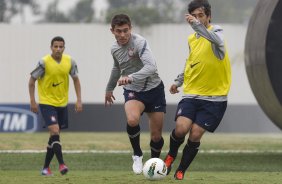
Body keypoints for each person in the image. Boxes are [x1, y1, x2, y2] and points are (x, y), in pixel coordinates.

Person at [163, 0, 231, 180]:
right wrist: (178, 81)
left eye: (201, 16)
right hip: (192, 94)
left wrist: (195, 24)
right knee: (181, 128)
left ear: (209, 16)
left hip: (215, 99)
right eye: (195, 16)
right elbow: (192, 61)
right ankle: (170, 156)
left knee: (195, 134)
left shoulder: (217, 33)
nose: (198, 19)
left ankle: (181, 170)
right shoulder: (192, 39)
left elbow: (215, 40)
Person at [105, 14, 166, 175]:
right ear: (112, 31)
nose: (123, 35)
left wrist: (130, 77)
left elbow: (151, 67)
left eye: (126, 31)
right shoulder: (114, 49)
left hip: (154, 90)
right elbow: (117, 68)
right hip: (133, 91)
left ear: (130, 29)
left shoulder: (140, 42)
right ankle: (137, 154)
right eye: (119, 31)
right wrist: (109, 88)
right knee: (132, 120)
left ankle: (154, 165)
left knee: (156, 137)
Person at [28, 36, 82, 176]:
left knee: (54, 136)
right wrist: (33, 101)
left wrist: (79, 100)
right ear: (51, 47)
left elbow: (76, 80)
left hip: (62, 103)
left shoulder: (70, 61)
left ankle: (45, 168)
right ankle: (62, 164)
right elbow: (31, 81)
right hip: (46, 103)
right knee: (55, 131)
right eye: (55, 46)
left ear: (64, 48)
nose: (58, 49)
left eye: (61, 46)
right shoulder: (44, 62)